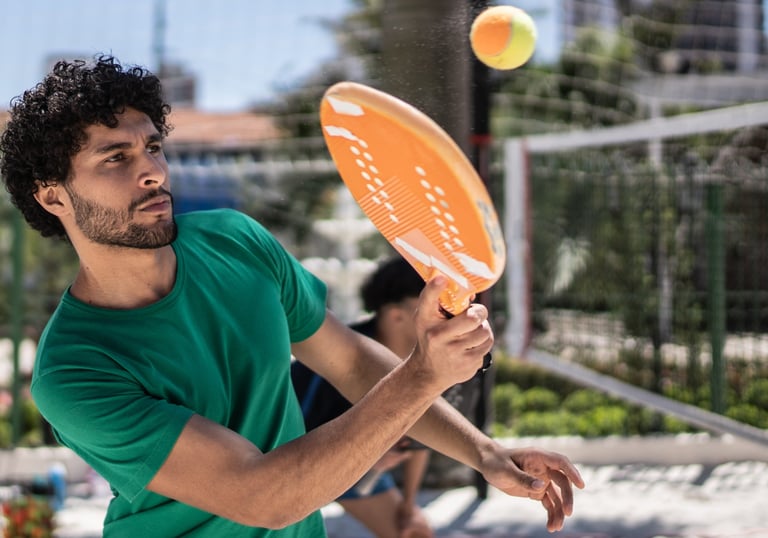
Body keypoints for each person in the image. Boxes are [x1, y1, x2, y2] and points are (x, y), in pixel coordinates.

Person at [0, 55, 584, 537]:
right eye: (116, 158)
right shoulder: (73, 370)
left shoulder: (235, 240)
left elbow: (351, 362)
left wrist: (483, 452)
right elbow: (264, 496)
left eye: (153, 147)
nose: (152, 171)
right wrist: (422, 375)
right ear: (53, 196)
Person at [291, 257, 433, 538]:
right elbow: (296, 447)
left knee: (414, 533)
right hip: (290, 462)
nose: (447, 317)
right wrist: (361, 456)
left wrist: (409, 506)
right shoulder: (342, 354)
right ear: (397, 316)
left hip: (359, 465)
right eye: (434, 307)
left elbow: (424, 434)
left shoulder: (424, 360)